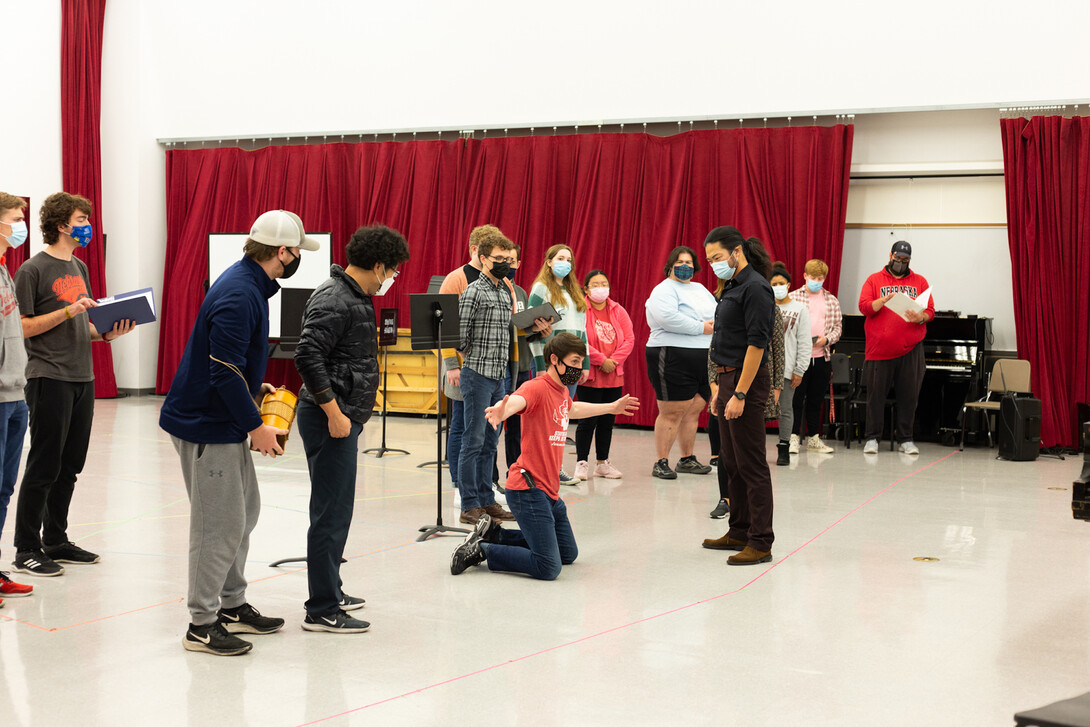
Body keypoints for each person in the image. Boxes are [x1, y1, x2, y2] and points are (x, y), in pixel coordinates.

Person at [160, 209, 319, 656]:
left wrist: (255, 387)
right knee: (218, 525)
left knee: (244, 512)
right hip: (206, 426)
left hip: (221, 419)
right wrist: (256, 426)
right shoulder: (238, 293)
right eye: (296, 252)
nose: (296, 260)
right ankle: (201, 623)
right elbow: (222, 371)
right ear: (282, 252)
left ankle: (230, 604)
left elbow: (232, 367)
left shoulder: (250, 284)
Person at [294, 224, 409, 634]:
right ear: (378, 265)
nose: (392, 278)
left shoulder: (354, 295)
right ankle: (321, 608)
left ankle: (331, 589)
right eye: (393, 270)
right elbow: (307, 356)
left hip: (343, 415)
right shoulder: (336, 297)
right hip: (331, 418)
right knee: (330, 512)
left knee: (338, 508)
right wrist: (334, 413)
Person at [11, 192, 134, 578]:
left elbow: (80, 323)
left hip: (83, 376)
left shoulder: (78, 265)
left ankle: (56, 539)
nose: (87, 225)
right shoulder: (32, 270)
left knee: (70, 465)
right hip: (49, 376)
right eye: (81, 219)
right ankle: (26, 548)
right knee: (44, 464)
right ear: (63, 224)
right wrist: (68, 310)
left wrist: (106, 334)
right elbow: (23, 328)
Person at [449, 332, 639, 579]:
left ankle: (497, 534)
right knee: (548, 566)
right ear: (554, 360)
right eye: (573, 362)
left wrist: (611, 408)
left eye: (581, 363)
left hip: (549, 492)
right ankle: (482, 549)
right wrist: (502, 410)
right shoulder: (536, 387)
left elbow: (573, 409)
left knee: (567, 554)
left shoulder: (561, 391)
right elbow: (518, 400)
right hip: (528, 489)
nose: (578, 369)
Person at [701, 226, 776, 566]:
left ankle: (760, 542)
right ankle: (739, 530)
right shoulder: (732, 285)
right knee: (732, 462)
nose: (714, 264)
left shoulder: (757, 287)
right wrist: (720, 388)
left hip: (746, 383)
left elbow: (757, 345)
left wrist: (741, 393)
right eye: (710, 260)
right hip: (728, 379)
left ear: (736, 251)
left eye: (717, 257)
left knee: (751, 464)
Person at [456, 232, 522, 524]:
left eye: (508, 260)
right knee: (473, 439)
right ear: (483, 259)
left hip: (499, 376)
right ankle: (469, 504)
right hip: (477, 374)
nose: (505, 264)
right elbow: (459, 337)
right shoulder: (473, 291)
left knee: (490, 442)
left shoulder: (503, 290)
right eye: (499, 259)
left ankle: (487, 499)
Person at [644, 246, 717, 479]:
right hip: (671, 353)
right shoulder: (663, 290)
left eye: (689, 262)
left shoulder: (701, 289)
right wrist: (700, 327)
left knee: (694, 408)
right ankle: (661, 461)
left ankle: (687, 458)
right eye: (680, 262)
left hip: (704, 355)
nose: (685, 266)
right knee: (672, 411)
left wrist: (709, 327)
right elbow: (667, 318)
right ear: (670, 265)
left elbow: (716, 314)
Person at [858, 241, 935, 455]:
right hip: (879, 349)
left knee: (909, 396)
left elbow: (930, 311)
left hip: (911, 349)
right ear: (890, 255)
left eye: (905, 260)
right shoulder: (874, 280)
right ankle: (872, 438)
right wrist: (881, 301)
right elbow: (864, 307)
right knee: (875, 396)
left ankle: (906, 439)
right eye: (898, 258)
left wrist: (921, 317)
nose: (901, 262)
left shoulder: (919, 281)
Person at [527, 244, 588, 485]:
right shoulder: (541, 289)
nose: (565, 262)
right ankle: (538, 468)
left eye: (569, 259)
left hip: (571, 363)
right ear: (549, 261)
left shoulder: (575, 291)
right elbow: (532, 329)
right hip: (550, 363)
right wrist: (540, 364)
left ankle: (556, 468)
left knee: (562, 416)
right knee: (544, 417)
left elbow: (582, 329)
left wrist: (584, 364)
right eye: (560, 258)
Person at [0, 193, 32, 603]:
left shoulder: (5, 271)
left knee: (4, 488)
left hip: (15, 394)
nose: (20, 225)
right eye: (14, 217)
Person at [574, 270, 634, 480]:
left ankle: (603, 463)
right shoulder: (580, 309)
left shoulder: (618, 310)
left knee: (607, 420)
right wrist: (601, 360)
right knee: (587, 421)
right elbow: (579, 339)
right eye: (595, 284)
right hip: (590, 374)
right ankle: (581, 462)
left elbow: (629, 339)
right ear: (586, 289)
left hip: (613, 374)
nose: (601, 288)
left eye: (604, 283)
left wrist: (614, 361)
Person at [788, 258, 842, 455]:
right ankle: (793, 438)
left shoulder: (831, 300)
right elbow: (786, 325)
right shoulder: (793, 297)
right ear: (805, 276)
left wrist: (826, 339)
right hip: (798, 358)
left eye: (820, 278)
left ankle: (813, 438)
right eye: (813, 277)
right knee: (795, 399)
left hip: (821, 357)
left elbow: (838, 328)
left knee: (816, 399)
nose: (816, 281)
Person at [769, 263, 811, 465]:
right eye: (773, 283)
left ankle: (784, 447)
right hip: (764, 369)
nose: (777, 286)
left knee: (786, 409)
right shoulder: (766, 306)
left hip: (787, 369)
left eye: (781, 283)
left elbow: (804, 342)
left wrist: (799, 369)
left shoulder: (800, 309)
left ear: (788, 285)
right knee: (759, 411)